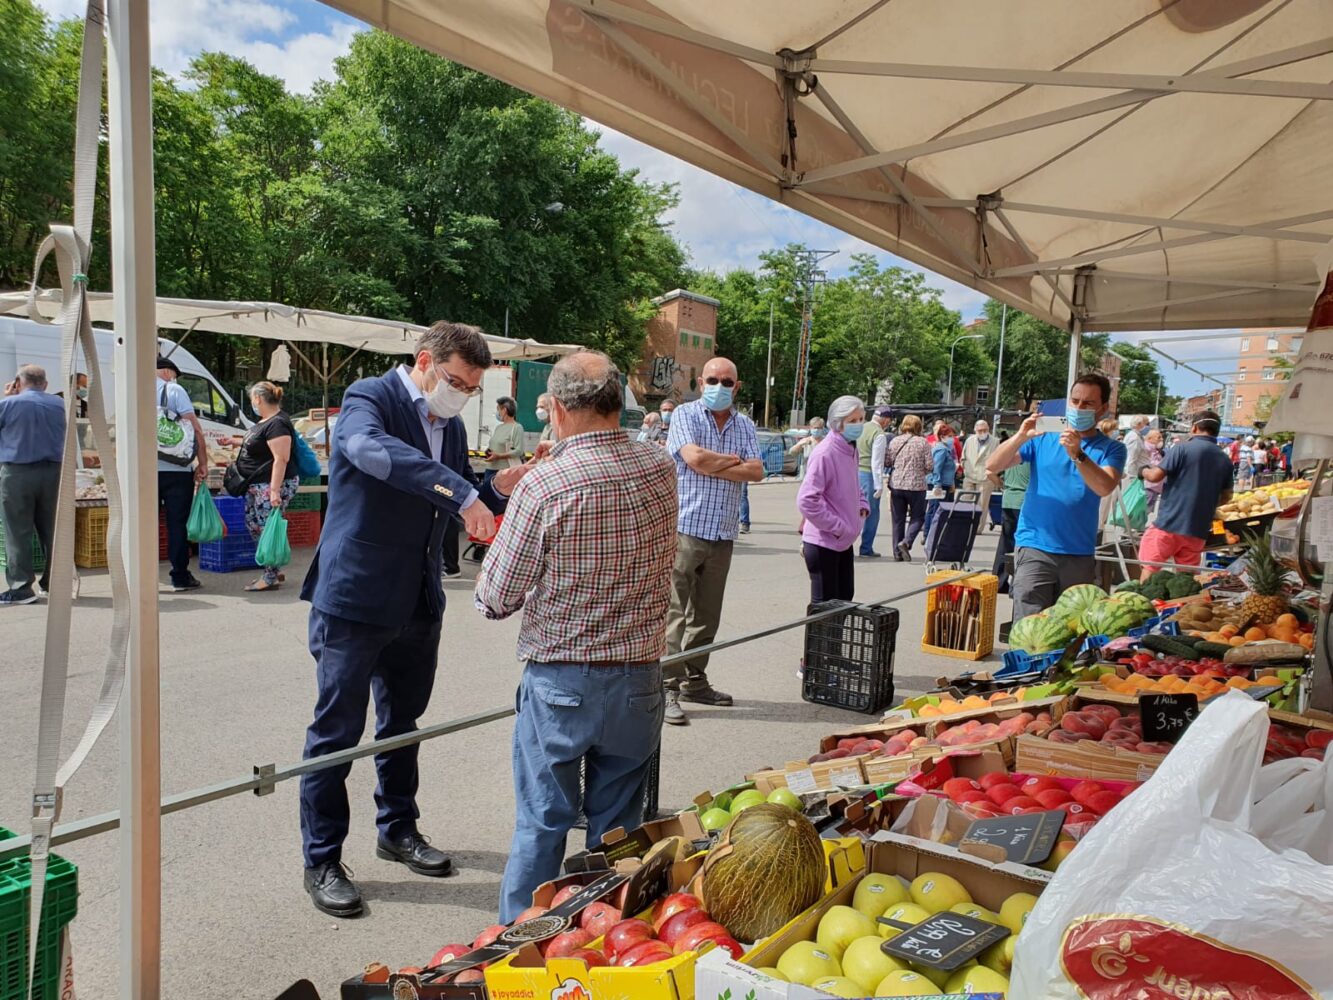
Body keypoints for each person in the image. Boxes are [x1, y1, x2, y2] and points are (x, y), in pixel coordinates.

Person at [298, 322, 532, 918]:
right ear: (424, 361)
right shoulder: (368, 398)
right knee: (336, 732)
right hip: (355, 597)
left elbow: (455, 497)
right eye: (456, 381)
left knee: (403, 725)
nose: (461, 395)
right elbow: (369, 452)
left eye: (471, 389)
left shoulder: (450, 426)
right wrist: (463, 493)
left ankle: (398, 828)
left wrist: (495, 489)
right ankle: (322, 858)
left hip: (418, 598)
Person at [475, 350, 676, 922]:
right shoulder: (659, 465)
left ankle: (521, 942)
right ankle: (606, 934)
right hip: (639, 678)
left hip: (562, 681)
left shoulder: (545, 485)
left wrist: (522, 490)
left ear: (558, 411)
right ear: (616, 403)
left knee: (543, 823)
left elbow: (495, 598)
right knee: (618, 831)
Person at [663, 356, 762, 726]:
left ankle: (695, 681)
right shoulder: (686, 415)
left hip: (722, 531)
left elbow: (757, 470)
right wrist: (731, 462)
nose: (719, 386)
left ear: (737, 387)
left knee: (706, 616)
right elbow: (693, 458)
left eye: (727, 381)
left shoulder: (744, 424)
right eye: (712, 380)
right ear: (700, 382)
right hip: (685, 528)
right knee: (674, 613)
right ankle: (666, 686)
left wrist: (711, 462)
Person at [987, 373, 1126, 621]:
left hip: (1078, 551)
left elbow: (1104, 486)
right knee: (1029, 624)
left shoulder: (1112, 448)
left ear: (1103, 409)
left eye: (1088, 403)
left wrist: (1078, 454)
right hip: (1035, 546)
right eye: (1075, 401)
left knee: (1070, 626)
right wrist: (1020, 436)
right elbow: (993, 465)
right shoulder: (1044, 437)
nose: (1079, 408)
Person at [1137, 411, 1233, 579]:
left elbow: (1154, 476)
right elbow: (1227, 496)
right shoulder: (1225, 459)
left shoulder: (1182, 448)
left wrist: (1143, 470)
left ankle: (1145, 596)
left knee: (1150, 568)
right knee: (1186, 580)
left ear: (1194, 428)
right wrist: (1204, 502)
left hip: (1169, 523)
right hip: (1197, 530)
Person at [0, 365, 64, 606]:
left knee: (18, 531)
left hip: (18, 472)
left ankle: (21, 587)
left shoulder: (8, 404)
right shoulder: (60, 405)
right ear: (45, 384)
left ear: (18, 382)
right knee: (53, 530)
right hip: (54, 472)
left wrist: (9, 397)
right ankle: (54, 583)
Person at [797, 396, 868, 602]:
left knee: (844, 599)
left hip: (843, 542)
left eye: (861, 419)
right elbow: (807, 500)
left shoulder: (851, 448)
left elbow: (853, 483)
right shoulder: (825, 453)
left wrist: (862, 504)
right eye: (852, 421)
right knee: (825, 608)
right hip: (824, 542)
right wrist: (838, 527)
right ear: (838, 423)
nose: (858, 425)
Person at [232, 381, 299, 593]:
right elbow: (261, 445)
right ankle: (272, 569)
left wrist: (274, 490)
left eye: (252, 399)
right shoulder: (267, 422)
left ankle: (270, 576)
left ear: (258, 399)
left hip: (270, 484)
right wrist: (235, 442)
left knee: (265, 527)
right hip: (258, 484)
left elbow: (281, 458)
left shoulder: (277, 423)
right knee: (255, 525)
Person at [156, 355, 209, 593]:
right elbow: (195, 429)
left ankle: (139, 576)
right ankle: (179, 576)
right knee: (177, 524)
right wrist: (202, 463)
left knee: (143, 524)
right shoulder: (173, 390)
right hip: (177, 471)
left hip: (143, 472)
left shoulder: (133, 388)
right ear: (168, 372)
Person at [887, 414, 932, 562]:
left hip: (897, 484)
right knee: (918, 517)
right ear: (918, 427)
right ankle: (906, 542)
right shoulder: (923, 442)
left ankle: (897, 553)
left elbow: (887, 461)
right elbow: (929, 465)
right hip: (917, 486)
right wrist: (921, 471)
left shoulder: (895, 441)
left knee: (898, 519)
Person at [855, 406, 892, 558]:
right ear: (885, 420)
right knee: (871, 513)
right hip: (868, 475)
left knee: (852, 510)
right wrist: (879, 485)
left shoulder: (861, 428)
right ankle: (866, 548)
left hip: (854, 472)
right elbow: (877, 462)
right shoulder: (879, 434)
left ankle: (844, 545)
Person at [990, 459, 1029, 594]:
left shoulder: (1011, 455)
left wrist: (1002, 486)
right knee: (1023, 544)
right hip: (1025, 501)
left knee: (1005, 543)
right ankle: (1015, 585)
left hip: (1008, 500)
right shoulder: (1032, 455)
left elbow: (989, 472)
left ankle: (998, 581)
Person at [921, 423, 957, 540]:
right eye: (950, 436)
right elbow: (937, 468)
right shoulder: (942, 450)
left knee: (934, 510)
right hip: (938, 484)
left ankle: (929, 535)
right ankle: (930, 536)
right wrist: (937, 485)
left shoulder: (946, 449)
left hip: (943, 483)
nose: (952, 439)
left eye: (953, 436)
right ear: (942, 436)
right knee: (936, 511)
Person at [960, 419, 997, 519]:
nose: (982, 432)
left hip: (985, 479)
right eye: (980, 430)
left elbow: (998, 460)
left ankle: (978, 527)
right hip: (969, 477)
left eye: (985, 430)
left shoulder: (995, 441)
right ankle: (964, 524)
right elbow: (963, 456)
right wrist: (965, 468)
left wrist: (992, 474)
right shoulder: (969, 440)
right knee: (965, 504)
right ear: (975, 430)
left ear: (988, 429)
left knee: (981, 506)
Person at [486, 396, 524, 469]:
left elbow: (519, 451)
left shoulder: (517, 427)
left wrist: (499, 456)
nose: (497, 412)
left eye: (498, 409)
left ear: (504, 410)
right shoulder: (498, 427)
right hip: (490, 468)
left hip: (504, 470)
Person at [1142, 428, 1166, 518]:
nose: (1161, 439)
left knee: (1149, 508)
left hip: (1155, 485)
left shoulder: (1156, 450)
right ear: (1150, 439)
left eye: (1161, 437)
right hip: (1149, 484)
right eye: (1158, 437)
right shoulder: (1146, 449)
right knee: (1145, 508)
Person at [1122, 415, 1150, 481]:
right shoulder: (1134, 438)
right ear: (1139, 424)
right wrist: (1132, 478)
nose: (1148, 427)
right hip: (1134, 476)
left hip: (1138, 473)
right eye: (1147, 424)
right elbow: (1131, 459)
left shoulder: (1137, 436)